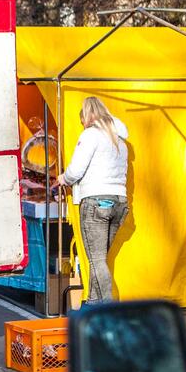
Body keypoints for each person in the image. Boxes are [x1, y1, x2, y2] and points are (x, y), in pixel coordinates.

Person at [57, 96, 129, 304]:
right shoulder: (120, 140)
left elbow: (76, 170)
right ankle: (93, 303)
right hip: (119, 202)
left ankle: (107, 307)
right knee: (100, 259)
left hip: (96, 201)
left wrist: (64, 178)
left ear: (87, 116)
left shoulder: (90, 135)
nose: (83, 125)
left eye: (83, 121)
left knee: (96, 259)